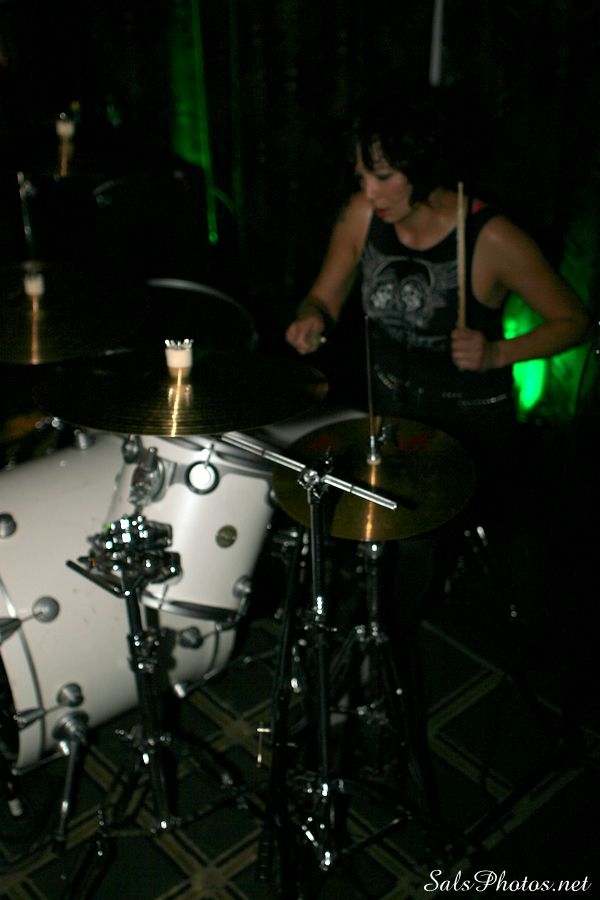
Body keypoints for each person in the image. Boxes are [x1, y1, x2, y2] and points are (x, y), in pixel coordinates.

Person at [283, 87, 592, 813]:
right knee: (322, 506)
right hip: (390, 415)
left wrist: (498, 353)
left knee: (400, 550)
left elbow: (574, 321)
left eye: (383, 175)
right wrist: (311, 317)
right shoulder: (363, 218)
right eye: (361, 174)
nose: (368, 191)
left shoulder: (491, 238)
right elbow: (324, 294)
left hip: (464, 430)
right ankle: (359, 655)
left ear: (423, 169)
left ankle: (374, 680)